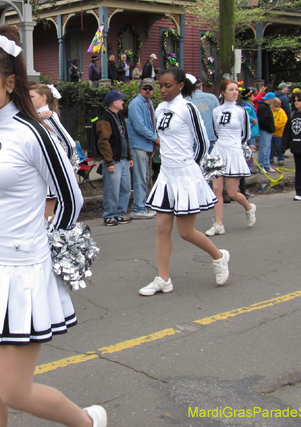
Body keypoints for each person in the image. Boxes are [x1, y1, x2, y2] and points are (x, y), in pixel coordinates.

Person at [0, 26, 106, 427]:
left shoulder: (34, 133)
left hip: (23, 272)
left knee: (15, 391)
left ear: (9, 81)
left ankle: (87, 423)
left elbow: (70, 199)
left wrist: (42, 246)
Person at [139, 67, 230, 297]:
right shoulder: (159, 108)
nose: (162, 90)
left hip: (186, 174)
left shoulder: (188, 108)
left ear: (180, 85)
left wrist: (192, 170)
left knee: (186, 232)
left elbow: (202, 143)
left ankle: (219, 257)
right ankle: (163, 278)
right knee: (161, 228)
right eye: (160, 85)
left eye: (167, 85)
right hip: (167, 175)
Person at [206, 80, 257, 236]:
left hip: (234, 150)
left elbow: (246, 133)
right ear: (223, 92)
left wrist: (237, 146)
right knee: (216, 189)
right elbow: (215, 130)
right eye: (231, 89)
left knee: (233, 193)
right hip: (219, 150)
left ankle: (249, 208)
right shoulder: (216, 111)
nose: (235, 92)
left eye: (236, 90)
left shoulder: (241, 111)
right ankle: (219, 224)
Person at [30, 84, 78, 219]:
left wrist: (63, 165)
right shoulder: (37, 115)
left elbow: (69, 144)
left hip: (46, 175)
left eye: (32, 97)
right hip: (36, 174)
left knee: (46, 217)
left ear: (44, 97)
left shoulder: (49, 116)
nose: (29, 100)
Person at [96, 90, 132, 226]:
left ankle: (120, 213)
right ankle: (109, 215)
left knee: (125, 188)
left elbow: (125, 137)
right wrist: (109, 160)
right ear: (114, 102)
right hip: (114, 160)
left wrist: (128, 155)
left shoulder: (119, 116)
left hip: (122, 158)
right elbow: (103, 141)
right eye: (121, 100)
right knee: (112, 189)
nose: (123, 102)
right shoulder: (105, 118)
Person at [127, 79, 158, 220]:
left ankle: (143, 205)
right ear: (140, 89)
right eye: (145, 88)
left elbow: (153, 122)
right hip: (139, 144)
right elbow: (139, 126)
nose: (148, 91)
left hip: (147, 145)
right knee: (140, 177)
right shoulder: (135, 104)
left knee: (145, 176)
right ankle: (138, 208)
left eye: (150, 89)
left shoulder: (149, 103)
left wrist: (154, 140)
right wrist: (154, 138)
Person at [187, 76, 219, 145]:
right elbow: (219, 118)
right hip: (211, 137)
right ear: (201, 85)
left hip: (194, 139)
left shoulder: (186, 100)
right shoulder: (212, 98)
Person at [256, 92, 276, 172]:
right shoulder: (263, 107)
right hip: (265, 130)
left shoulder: (265, 106)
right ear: (270, 99)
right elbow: (263, 120)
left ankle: (266, 165)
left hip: (268, 130)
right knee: (264, 149)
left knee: (267, 148)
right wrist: (269, 127)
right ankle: (261, 166)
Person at [269, 97, 287, 167]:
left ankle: (281, 159)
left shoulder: (281, 112)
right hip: (271, 133)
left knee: (279, 147)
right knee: (270, 147)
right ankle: (270, 158)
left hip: (279, 133)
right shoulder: (271, 111)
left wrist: (273, 126)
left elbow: (282, 123)